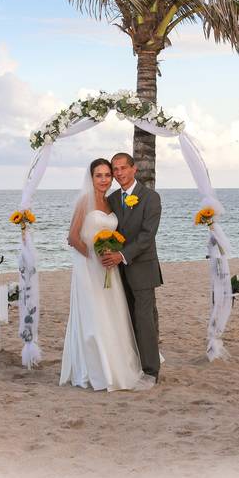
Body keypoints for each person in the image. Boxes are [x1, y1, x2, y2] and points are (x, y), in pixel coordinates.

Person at [59, 158, 152, 391]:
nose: (104, 179)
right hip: (91, 267)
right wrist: (93, 258)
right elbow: (73, 237)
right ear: (91, 178)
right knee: (94, 316)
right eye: (99, 175)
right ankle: (97, 369)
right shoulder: (84, 201)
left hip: (111, 266)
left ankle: (116, 363)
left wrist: (112, 255)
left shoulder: (112, 203)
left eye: (107, 175)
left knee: (113, 314)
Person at [101, 152, 163, 383]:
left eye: (122, 168)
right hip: (117, 271)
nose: (119, 173)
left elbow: (148, 236)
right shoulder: (113, 199)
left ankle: (151, 371)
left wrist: (122, 255)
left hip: (142, 268)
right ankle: (133, 362)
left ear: (134, 169)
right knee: (125, 318)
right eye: (115, 169)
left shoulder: (150, 198)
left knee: (144, 318)